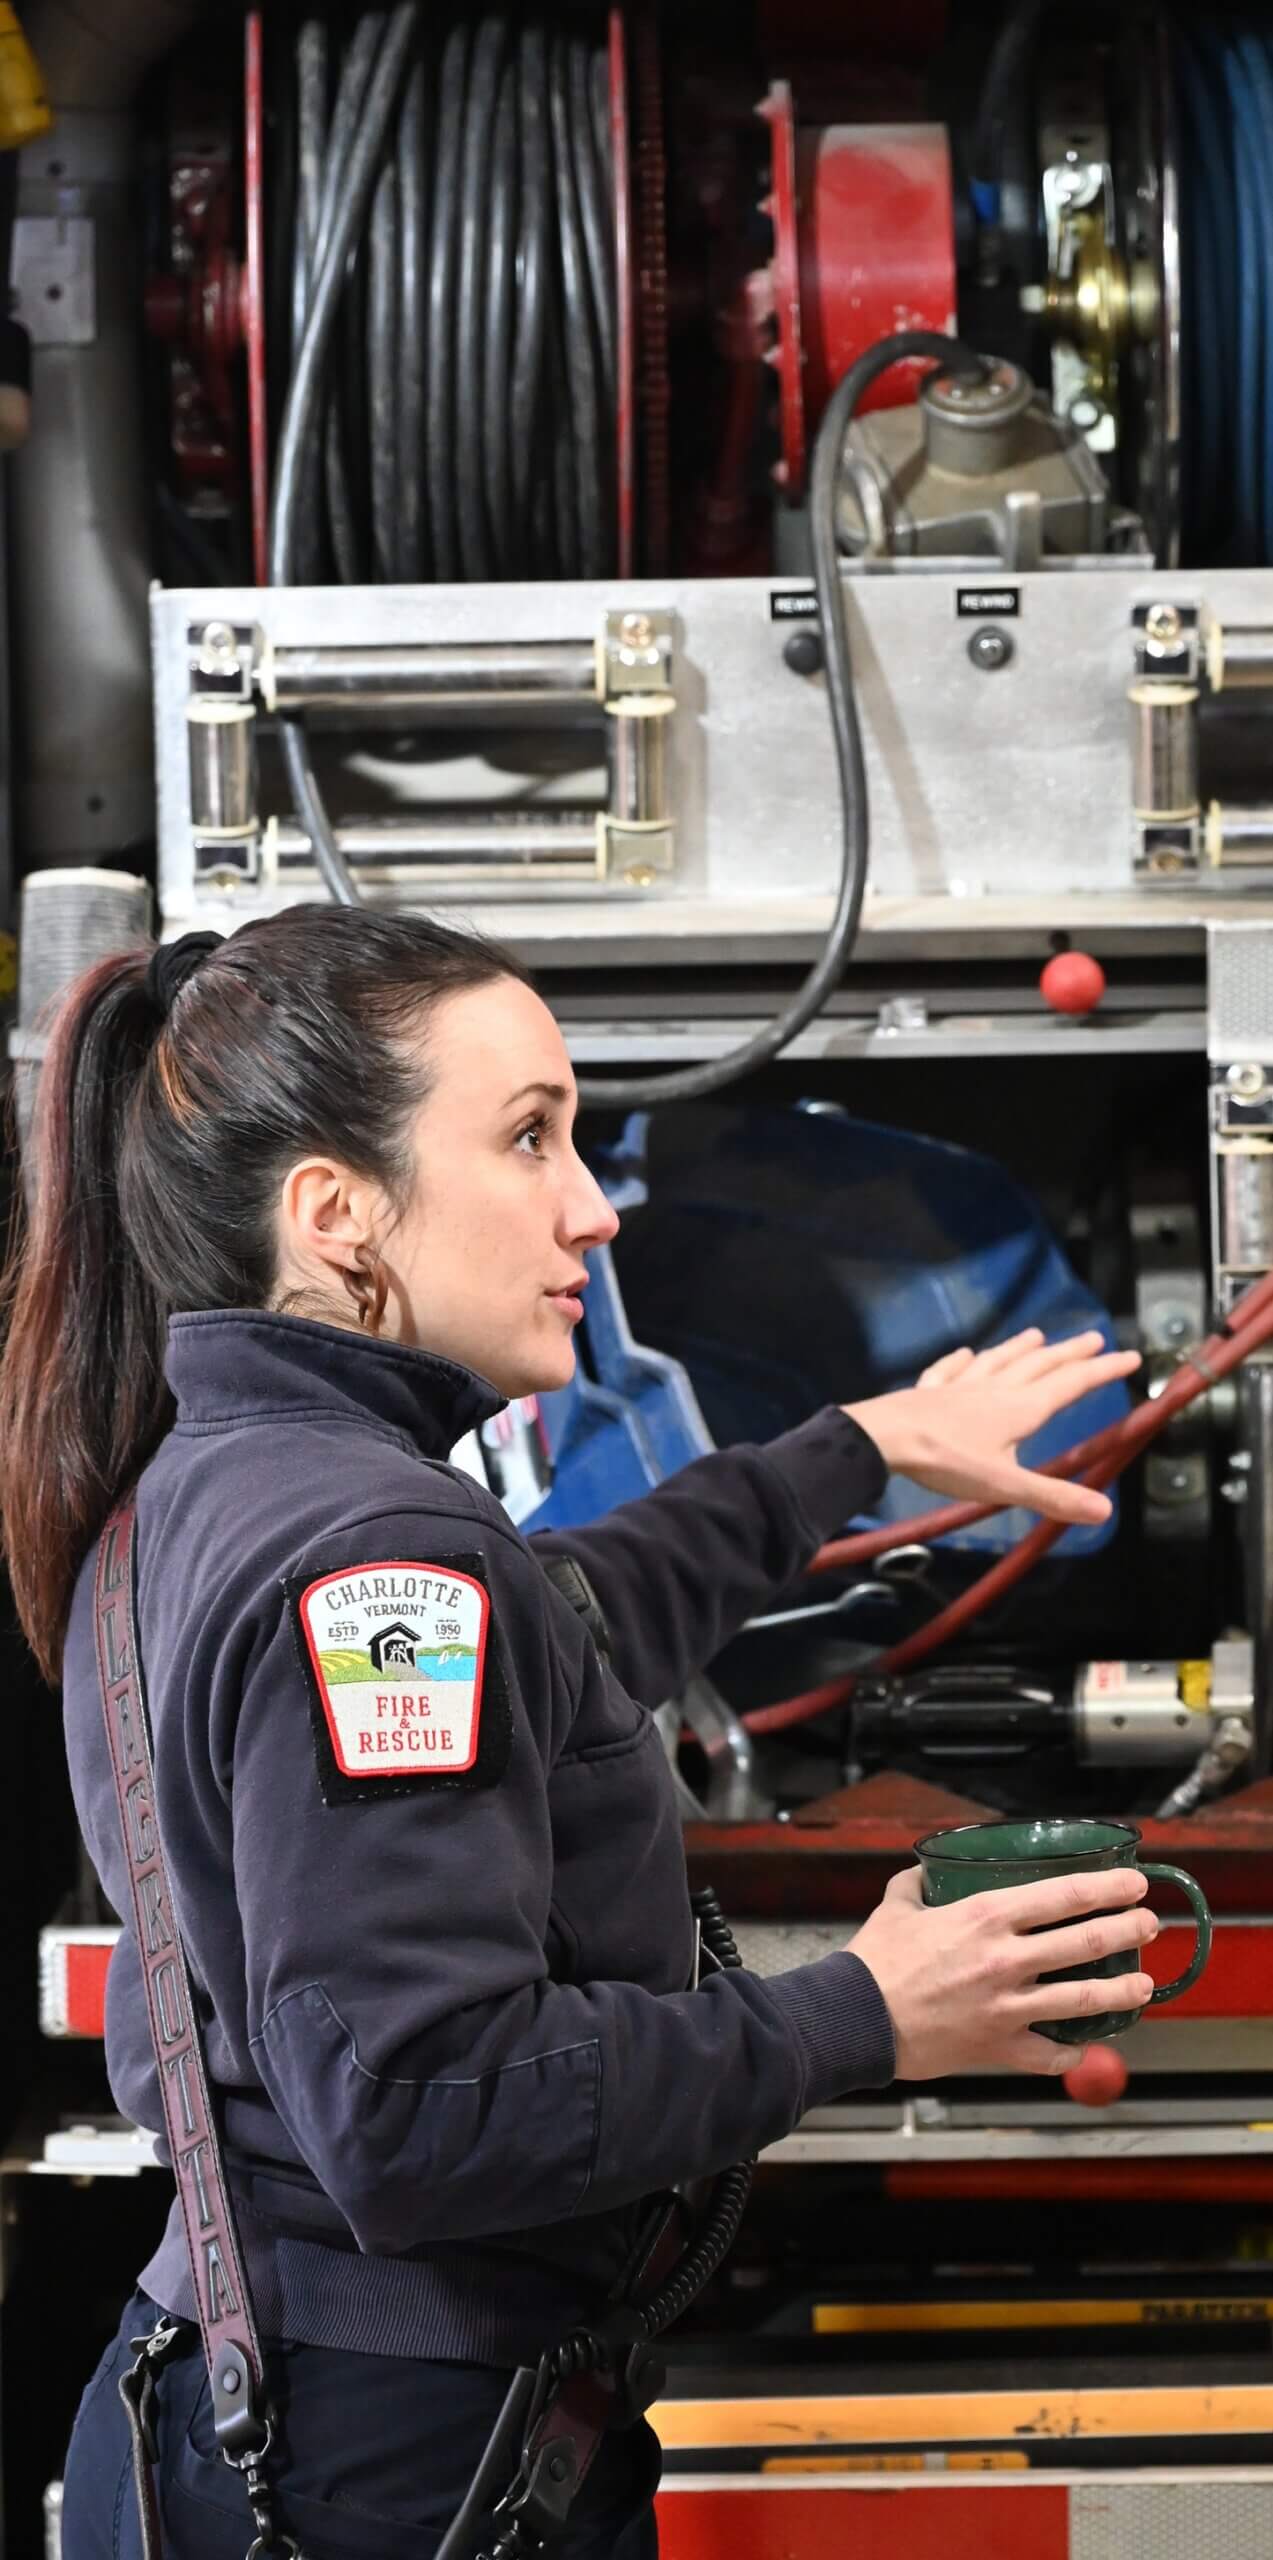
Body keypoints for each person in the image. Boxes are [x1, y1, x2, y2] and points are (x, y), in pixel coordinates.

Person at [0, 907, 1156, 2560]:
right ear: (339, 1216)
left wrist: (852, 1451)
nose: (592, 1208)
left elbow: (567, 1620)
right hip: (392, 2476)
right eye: (527, 1137)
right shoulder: (376, 1549)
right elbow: (423, 2110)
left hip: (252, 2417)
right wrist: (864, 2015)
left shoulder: (206, 1488)